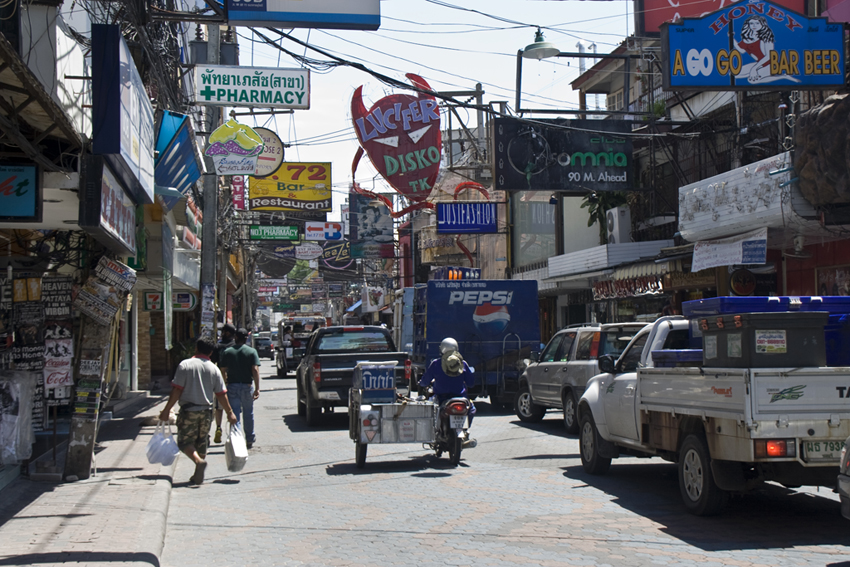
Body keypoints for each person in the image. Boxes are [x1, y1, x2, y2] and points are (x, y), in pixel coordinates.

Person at [158, 337, 237, 485]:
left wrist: (166, 410)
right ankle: (197, 473)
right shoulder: (214, 368)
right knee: (202, 442)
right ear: (211, 352)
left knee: (184, 441)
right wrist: (230, 413)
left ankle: (198, 461)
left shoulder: (185, 365)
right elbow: (221, 394)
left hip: (189, 410)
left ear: (196, 348)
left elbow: (176, 390)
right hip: (207, 412)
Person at [418, 337, 477, 433]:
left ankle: (434, 432)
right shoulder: (463, 364)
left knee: (431, 411)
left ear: (441, 349)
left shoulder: (436, 363)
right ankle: (465, 430)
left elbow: (425, 381)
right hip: (460, 398)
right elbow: (471, 383)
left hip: (441, 398)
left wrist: (421, 383)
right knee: (472, 409)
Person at [219, 328, 260, 449]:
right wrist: (257, 388)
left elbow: (223, 370)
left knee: (234, 413)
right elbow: (255, 370)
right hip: (247, 386)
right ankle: (249, 439)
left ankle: (236, 438)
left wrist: (225, 381)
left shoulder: (228, 351)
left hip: (232, 386)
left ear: (235, 337)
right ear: (246, 338)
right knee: (248, 413)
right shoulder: (252, 352)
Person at [210, 323, 236, 444]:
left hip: (221, 380)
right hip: (234, 380)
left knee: (219, 407)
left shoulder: (218, 346)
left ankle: (218, 427)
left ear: (226, 333)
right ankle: (233, 431)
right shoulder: (235, 346)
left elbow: (213, 361)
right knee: (233, 407)